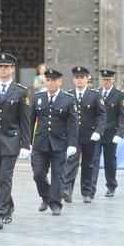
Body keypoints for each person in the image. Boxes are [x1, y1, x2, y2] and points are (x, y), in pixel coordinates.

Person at [0, 53, 31, 230]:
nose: (2, 69)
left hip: (11, 140)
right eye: (0, 66)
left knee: (5, 177)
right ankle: (8, 204)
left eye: (6, 66)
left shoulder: (21, 91)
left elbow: (25, 120)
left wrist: (26, 143)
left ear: (12, 69)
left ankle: (0, 214)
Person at [29, 68, 78, 216]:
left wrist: (72, 144)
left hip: (60, 143)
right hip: (40, 143)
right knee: (38, 174)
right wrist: (26, 142)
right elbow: (30, 120)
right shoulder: (38, 97)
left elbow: (73, 124)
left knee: (58, 175)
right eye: (48, 80)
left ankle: (55, 203)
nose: (50, 83)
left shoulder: (68, 99)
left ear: (60, 81)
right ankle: (46, 196)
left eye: (53, 80)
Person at [60, 66, 106, 204]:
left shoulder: (95, 95)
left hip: (90, 135)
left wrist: (98, 131)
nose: (79, 80)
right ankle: (67, 190)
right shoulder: (68, 95)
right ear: (73, 79)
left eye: (82, 77)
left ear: (87, 79)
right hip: (73, 136)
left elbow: (102, 115)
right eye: (77, 77)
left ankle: (87, 192)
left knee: (88, 164)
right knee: (71, 162)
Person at [91, 69, 124, 198]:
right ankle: (91, 187)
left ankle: (111, 185)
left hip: (111, 133)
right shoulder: (96, 93)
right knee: (93, 160)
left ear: (113, 80)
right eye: (104, 79)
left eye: (108, 79)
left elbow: (123, 116)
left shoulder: (119, 95)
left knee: (110, 161)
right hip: (97, 133)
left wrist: (120, 133)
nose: (105, 82)